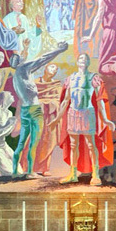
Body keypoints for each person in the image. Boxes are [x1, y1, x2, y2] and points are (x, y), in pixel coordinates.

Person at [10, 40, 69, 177]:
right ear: (20, 61)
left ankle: (15, 172)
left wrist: (25, 48)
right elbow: (42, 59)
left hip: (26, 110)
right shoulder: (24, 68)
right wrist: (58, 50)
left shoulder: (18, 74)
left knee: (22, 143)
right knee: (34, 141)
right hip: (35, 110)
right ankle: (30, 171)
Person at [57, 53, 115, 185]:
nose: (83, 60)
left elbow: (100, 100)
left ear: (89, 63)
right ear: (77, 62)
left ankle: (95, 174)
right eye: (81, 58)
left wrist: (105, 119)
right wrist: (57, 119)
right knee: (73, 145)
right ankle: (72, 173)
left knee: (91, 144)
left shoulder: (93, 78)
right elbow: (66, 101)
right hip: (73, 113)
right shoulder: (70, 79)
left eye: (86, 59)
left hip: (87, 113)